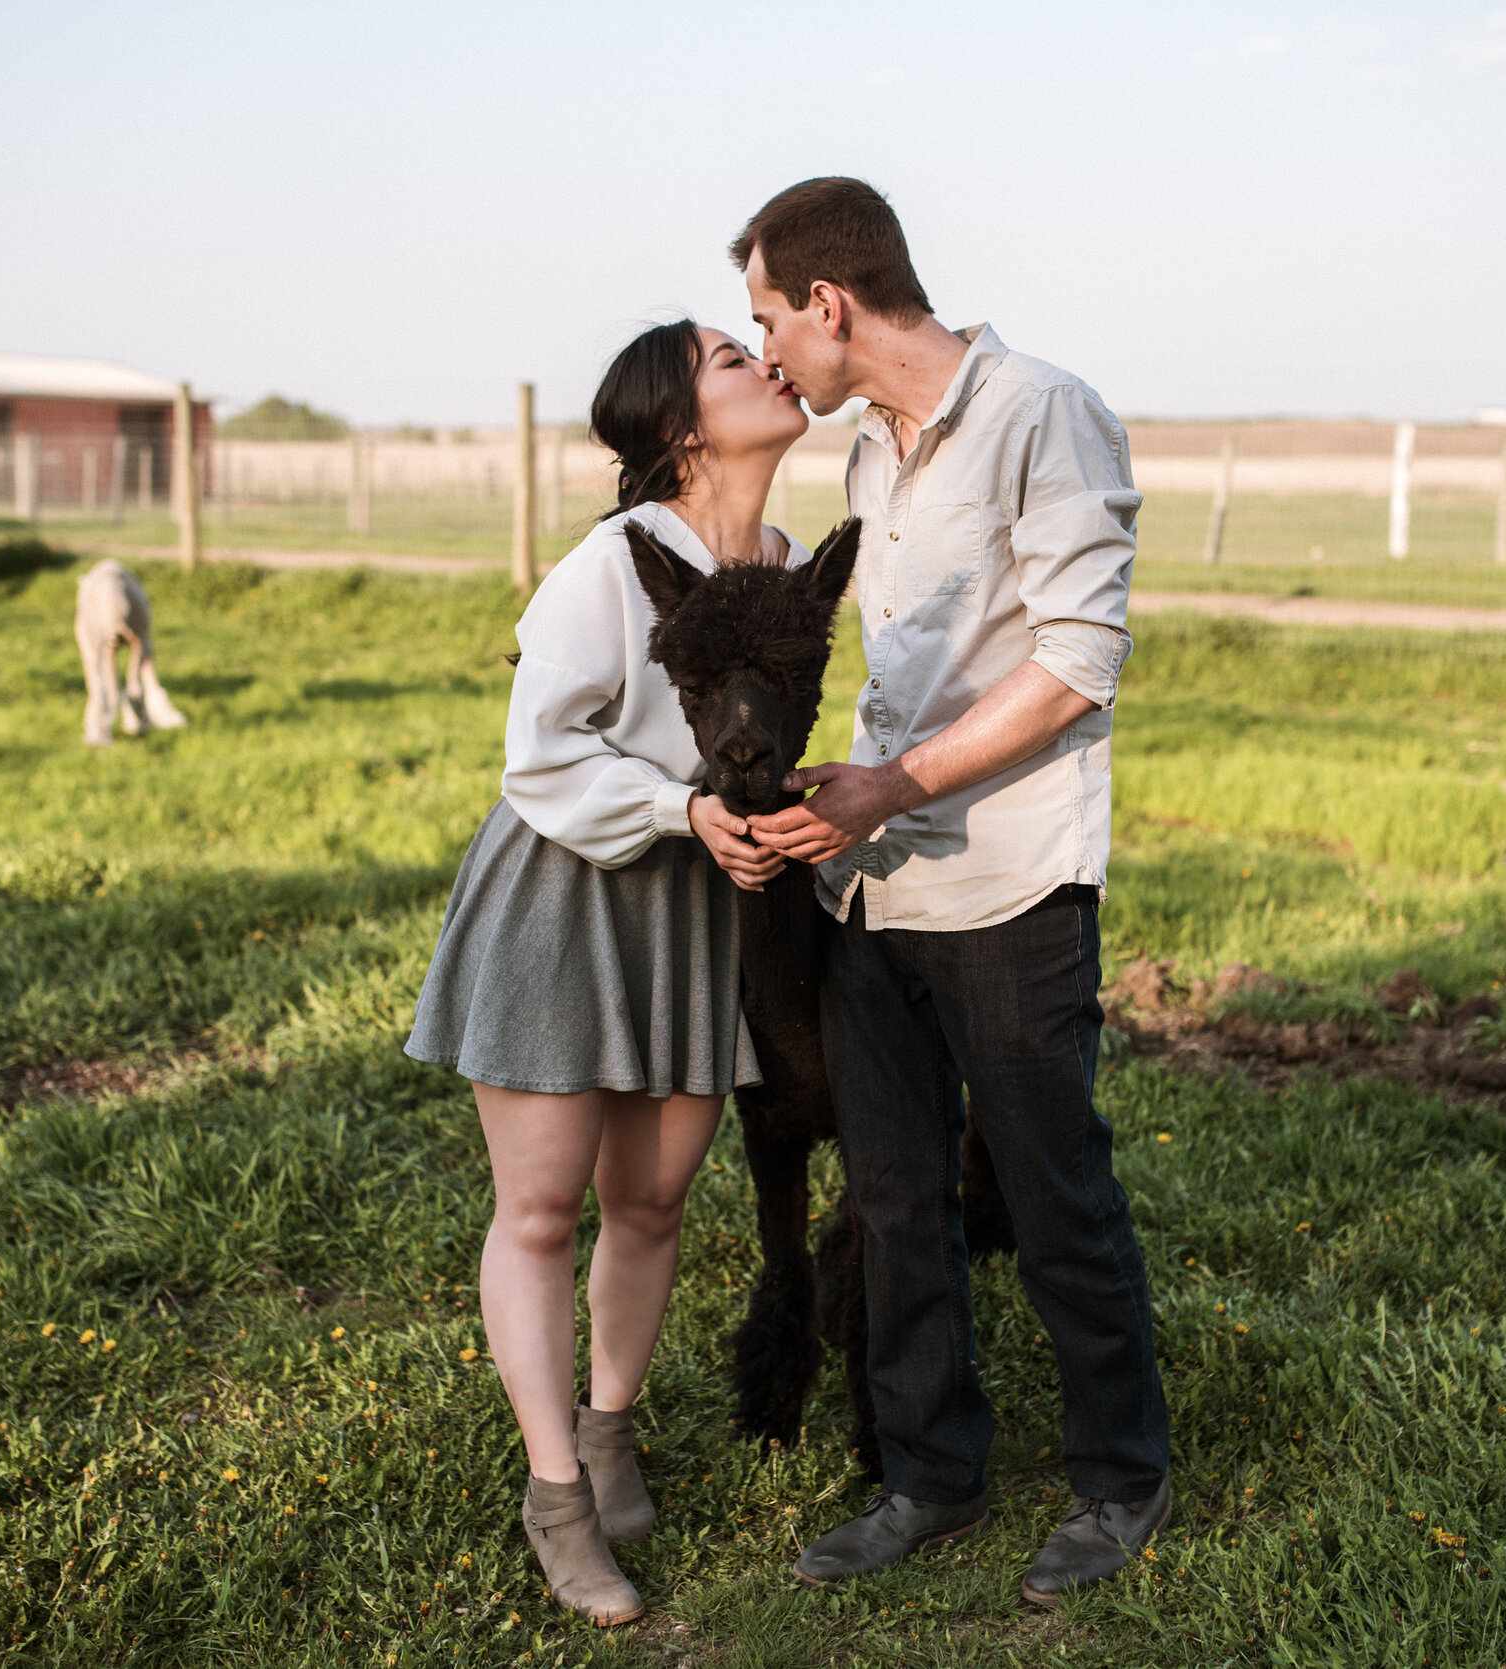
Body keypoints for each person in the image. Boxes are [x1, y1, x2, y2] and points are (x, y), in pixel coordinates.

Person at [724, 177, 1172, 1606]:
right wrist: (838, 806)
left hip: (1009, 888)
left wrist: (897, 784)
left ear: (830, 304)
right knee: (896, 1196)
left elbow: (1077, 663)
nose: (768, 353)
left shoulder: (1044, 412)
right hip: (873, 888)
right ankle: (929, 1470)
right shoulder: (869, 453)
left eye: (765, 322)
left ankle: (1119, 1479)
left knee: (1050, 1191)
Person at [403, 318, 811, 1625]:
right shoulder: (604, 570)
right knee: (540, 1212)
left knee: (653, 1204)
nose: (768, 358)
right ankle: (556, 1491)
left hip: (696, 910)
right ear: (679, 426)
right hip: (568, 895)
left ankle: (614, 1427)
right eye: (731, 357)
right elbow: (538, 751)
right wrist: (680, 811)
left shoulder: (792, 563)